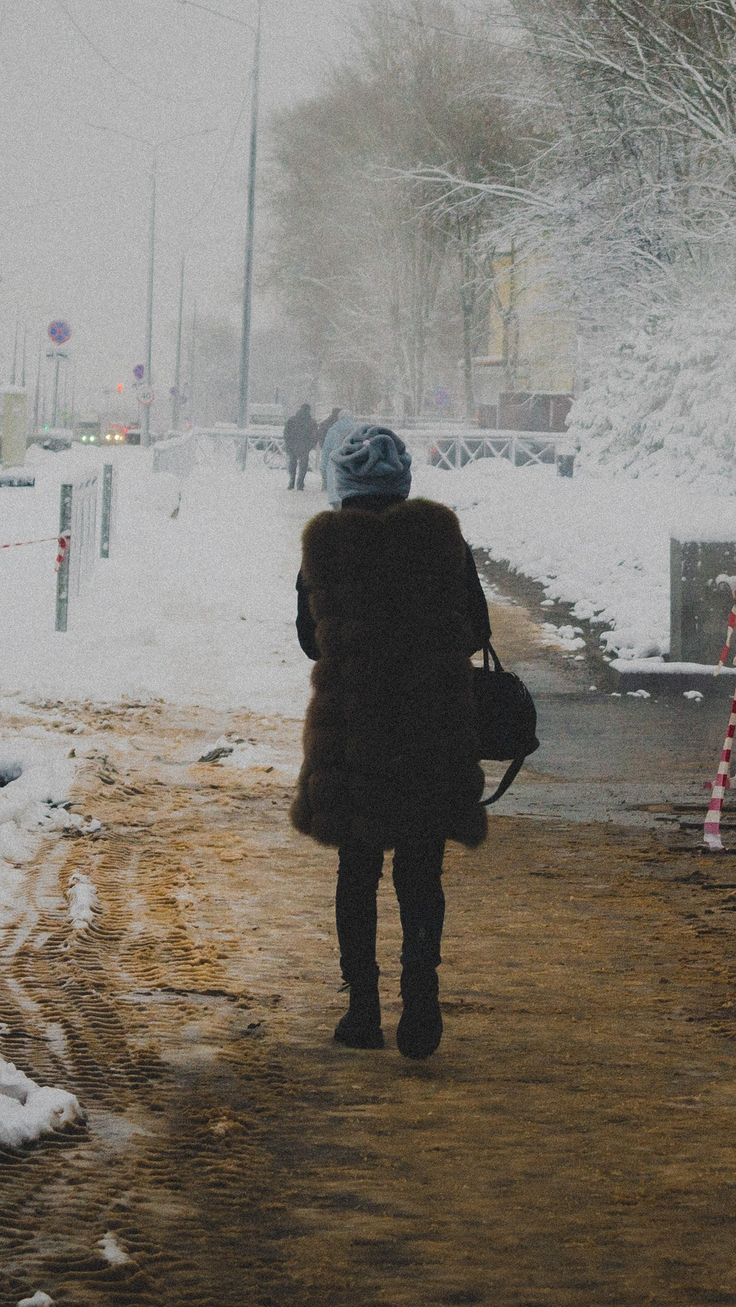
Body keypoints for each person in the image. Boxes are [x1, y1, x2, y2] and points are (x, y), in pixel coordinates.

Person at [291, 423, 491, 1059]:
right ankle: (421, 1000)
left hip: (354, 733)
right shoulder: (441, 541)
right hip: (429, 726)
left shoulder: (324, 547)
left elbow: (309, 638)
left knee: (357, 870)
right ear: (403, 483)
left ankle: (362, 1010)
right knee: (420, 870)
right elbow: (476, 629)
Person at [282, 403, 319, 491]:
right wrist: (310, 445)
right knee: (303, 465)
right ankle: (300, 483)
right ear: (309, 410)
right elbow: (314, 435)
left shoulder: (292, 419)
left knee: (292, 463)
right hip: (304, 446)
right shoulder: (311, 421)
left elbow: (286, 433)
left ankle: (291, 482)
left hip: (293, 445)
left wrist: (289, 443)